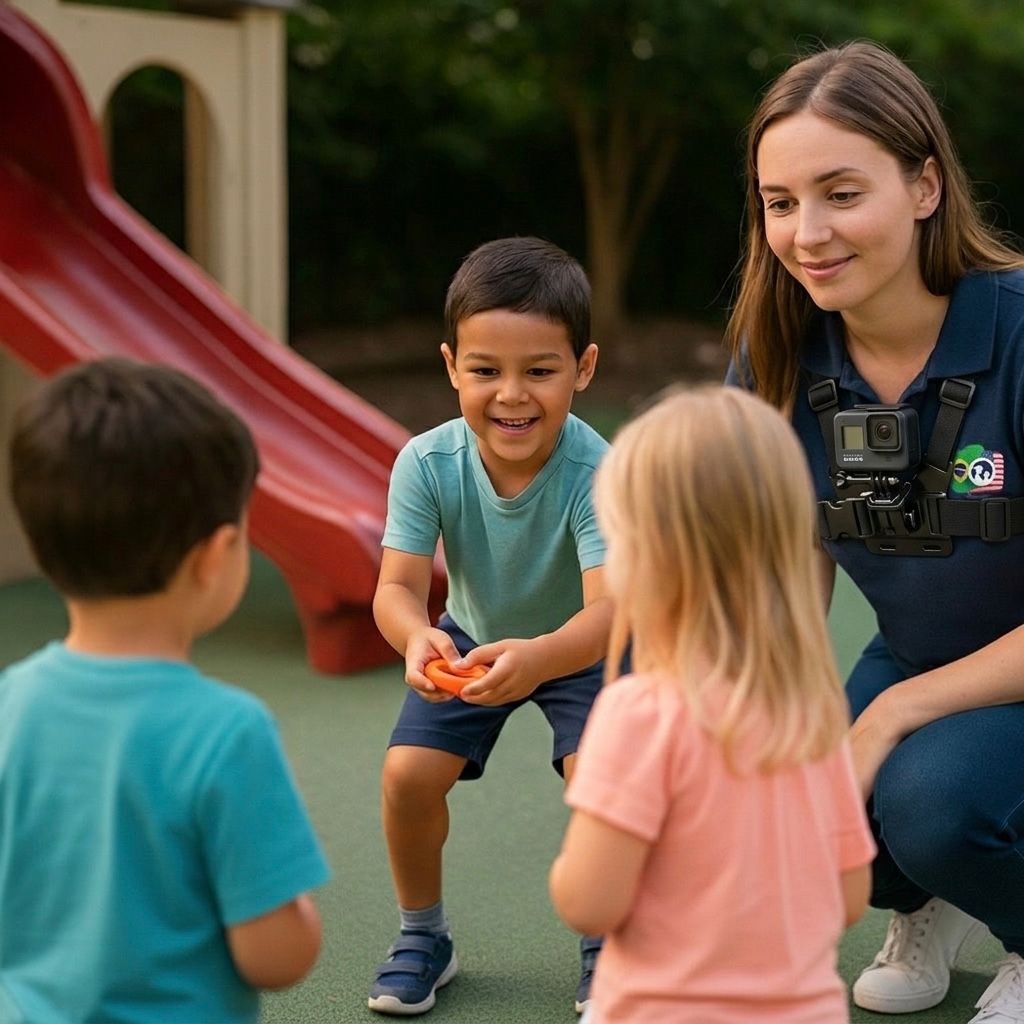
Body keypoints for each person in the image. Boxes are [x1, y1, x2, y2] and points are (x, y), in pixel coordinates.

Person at [726, 39, 1024, 1023]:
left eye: (840, 193)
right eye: (779, 202)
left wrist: (884, 716)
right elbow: (785, 561)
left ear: (924, 186)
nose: (805, 232)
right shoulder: (773, 353)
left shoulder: (1017, 331)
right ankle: (935, 902)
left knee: (928, 799)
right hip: (917, 658)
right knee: (792, 781)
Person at [0, 358, 330, 1024]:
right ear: (214, 556)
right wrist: (299, 918)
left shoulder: (10, 701)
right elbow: (274, 955)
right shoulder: (228, 731)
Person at [549, 386, 875, 1024]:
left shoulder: (640, 712)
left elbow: (589, 902)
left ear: (650, 561)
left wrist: (585, 827)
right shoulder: (813, 714)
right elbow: (848, 896)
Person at [369, 236, 611, 1016]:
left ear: (584, 368)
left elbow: (614, 612)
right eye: (485, 371)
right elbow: (396, 588)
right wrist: (416, 636)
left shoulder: (598, 471)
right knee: (407, 776)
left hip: (577, 644)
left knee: (602, 785)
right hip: (471, 638)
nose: (512, 395)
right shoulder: (426, 462)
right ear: (451, 367)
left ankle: (609, 940)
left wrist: (543, 656)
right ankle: (424, 936)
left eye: (540, 370)